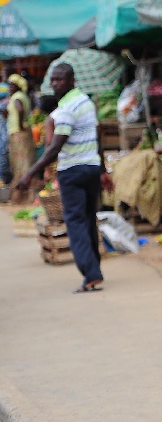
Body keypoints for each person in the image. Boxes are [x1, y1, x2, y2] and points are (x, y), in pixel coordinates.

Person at [16, 64, 113, 293]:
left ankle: (91, 275)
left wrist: (30, 173)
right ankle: (94, 270)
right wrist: (101, 170)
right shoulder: (86, 102)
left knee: (76, 223)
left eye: (60, 79)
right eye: (53, 80)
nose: (55, 84)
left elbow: (55, 148)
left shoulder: (67, 108)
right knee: (89, 220)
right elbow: (96, 136)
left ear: (72, 80)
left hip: (73, 171)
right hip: (90, 169)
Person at [7, 73, 36, 203]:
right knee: (25, 162)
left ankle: (24, 197)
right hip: (22, 132)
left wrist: (18, 125)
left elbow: (19, 110)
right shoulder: (23, 96)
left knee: (21, 164)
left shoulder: (17, 97)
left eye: (12, 85)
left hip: (19, 134)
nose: (10, 88)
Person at [0, 82, 11, 184]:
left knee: (3, 156)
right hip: (5, 135)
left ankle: (5, 179)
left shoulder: (5, 104)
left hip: (5, 135)